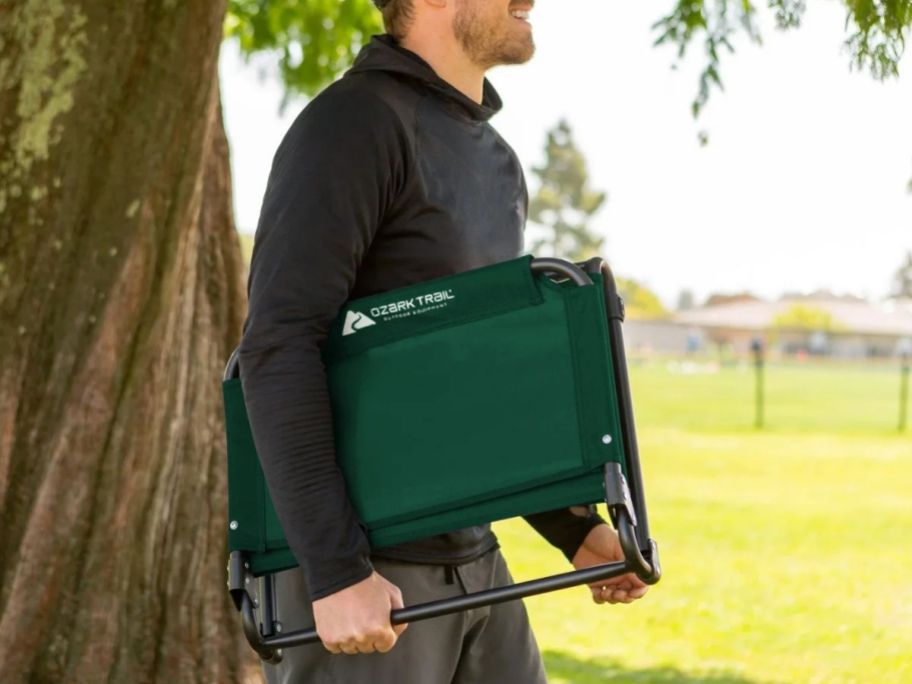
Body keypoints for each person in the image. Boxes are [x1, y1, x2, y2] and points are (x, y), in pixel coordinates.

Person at [238, 1, 649, 681]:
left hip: (474, 558)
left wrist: (575, 530)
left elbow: (471, 378)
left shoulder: (496, 161)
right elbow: (277, 345)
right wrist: (336, 571)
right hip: (369, 576)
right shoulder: (351, 125)